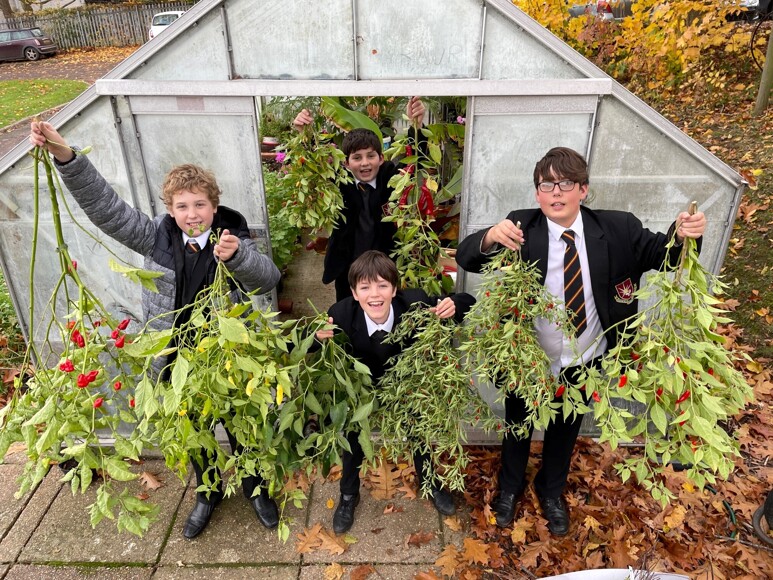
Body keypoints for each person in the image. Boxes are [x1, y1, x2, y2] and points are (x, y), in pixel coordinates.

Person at [29, 122, 282, 540]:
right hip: (174, 357)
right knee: (193, 429)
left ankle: (255, 488)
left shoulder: (233, 239)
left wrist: (238, 258)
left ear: (214, 206)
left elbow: (267, 279)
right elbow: (107, 209)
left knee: (240, 424)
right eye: (182, 206)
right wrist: (65, 155)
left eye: (200, 204)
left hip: (226, 358)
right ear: (170, 209)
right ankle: (208, 492)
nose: (192, 214)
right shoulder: (154, 239)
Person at [455, 147, 706, 536]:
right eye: (546, 185)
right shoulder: (521, 228)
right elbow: (467, 258)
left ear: (583, 189)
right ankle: (509, 488)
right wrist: (489, 236)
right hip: (530, 358)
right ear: (537, 193)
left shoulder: (618, 229)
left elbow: (667, 257)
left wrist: (685, 233)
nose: (556, 192)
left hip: (585, 357)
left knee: (566, 426)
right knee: (518, 423)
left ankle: (550, 491)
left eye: (566, 183)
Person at [315, 250, 475, 534]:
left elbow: (467, 301)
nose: (375, 295)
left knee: (418, 428)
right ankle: (349, 494)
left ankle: (429, 482)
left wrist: (453, 305)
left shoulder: (414, 303)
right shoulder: (341, 314)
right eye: (365, 287)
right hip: (364, 389)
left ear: (394, 289)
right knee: (353, 433)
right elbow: (303, 344)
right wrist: (315, 336)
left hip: (405, 385)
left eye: (382, 285)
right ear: (354, 293)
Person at [293, 97, 426, 301]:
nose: (365, 163)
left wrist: (417, 126)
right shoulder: (339, 181)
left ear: (381, 159)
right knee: (348, 313)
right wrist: (304, 133)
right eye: (357, 157)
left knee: (385, 310)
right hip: (347, 269)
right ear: (346, 163)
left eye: (371, 156)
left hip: (385, 266)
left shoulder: (390, 177)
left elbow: (415, 162)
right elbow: (315, 164)